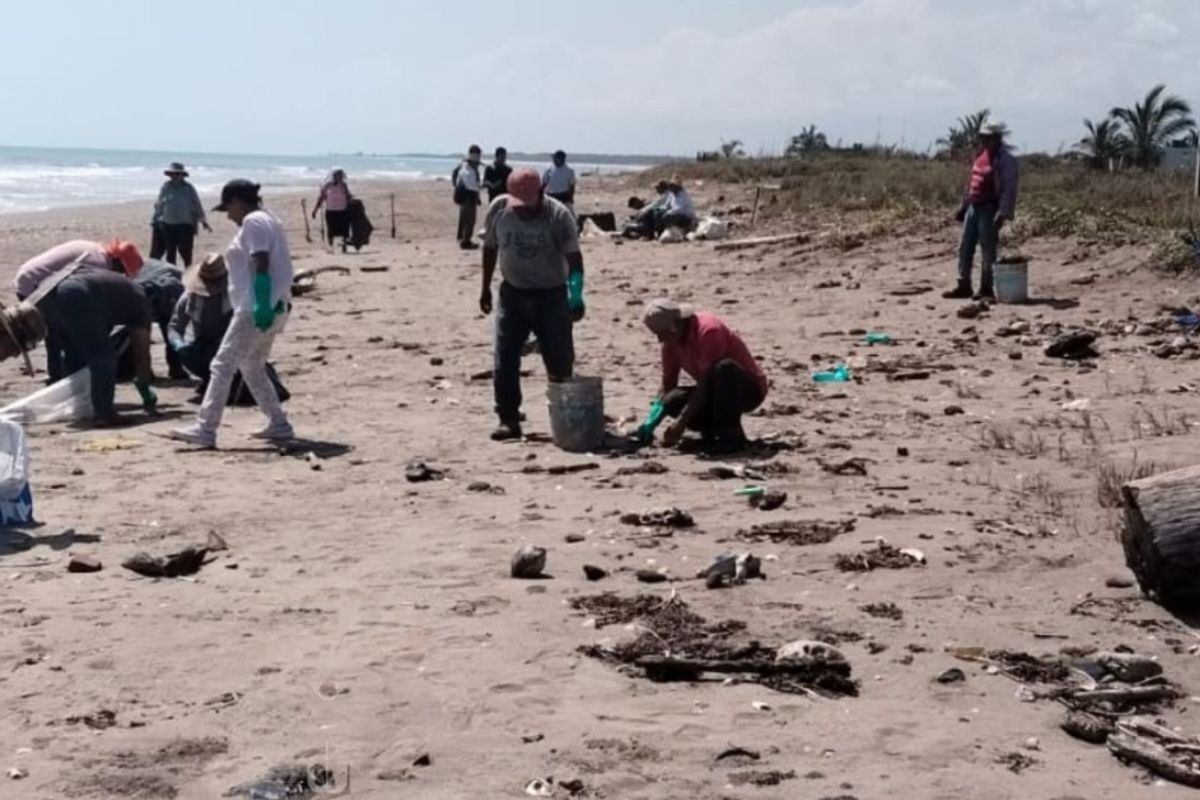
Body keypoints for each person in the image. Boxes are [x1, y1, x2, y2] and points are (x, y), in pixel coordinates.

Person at [170, 179, 295, 448]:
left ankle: (205, 429)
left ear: (237, 201)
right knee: (252, 366)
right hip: (274, 305)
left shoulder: (253, 222)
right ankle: (279, 423)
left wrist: (261, 299)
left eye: (228, 208)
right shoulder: (270, 219)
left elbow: (260, 259)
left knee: (222, 364)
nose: (228, 215)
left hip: (256, 307)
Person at [480, 168, 585, 441]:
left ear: (542, 192)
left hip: (551, 295)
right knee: (505, 359)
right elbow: (490, 247)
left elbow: (575, 259)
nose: (523, 212)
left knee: (560, 360)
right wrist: (485, 289)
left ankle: (564, 417)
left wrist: (576, 294)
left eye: (529, 205)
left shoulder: (558, 215)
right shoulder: (499, 209)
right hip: (512, 293)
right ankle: (509, 419)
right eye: (519, 205)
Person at [642, 299, 768, 453]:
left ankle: (730, 439)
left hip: (746, 389)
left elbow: (706, 381)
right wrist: (652, 420)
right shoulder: (670, 344)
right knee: (671, 400)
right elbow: (668, 384)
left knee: (723, 369)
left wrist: (681, 422)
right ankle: (711, 433)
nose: (660, 339)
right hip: (713, 391)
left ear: (676, 325)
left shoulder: (708, 331)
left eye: (663, 333)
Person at [36, 267, 158, 425]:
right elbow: (142, 351)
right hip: (79, 295)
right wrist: (145, 389)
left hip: (55, 294)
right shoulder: (140, 300)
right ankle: (104, 413)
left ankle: (79, 405)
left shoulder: (123, 289)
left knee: (75, 354)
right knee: (103, 358)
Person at [13, 239, 144, 380]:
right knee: (56, 330)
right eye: (122, 271)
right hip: (34, 286)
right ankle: (59, 376)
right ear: (118, 262)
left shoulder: (94, 248)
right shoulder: (99, 265)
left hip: (26, 276)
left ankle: (58, 373)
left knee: (54, 330)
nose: (120, 275)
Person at [943, 122, 1020, 301]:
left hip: (989, 208)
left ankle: (986, 289)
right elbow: (972, 182)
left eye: (987, 136)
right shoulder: (981, 155)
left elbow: (1009, 188)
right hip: (974, 207)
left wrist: (1003, 212)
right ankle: (964, 285)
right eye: (982, 136)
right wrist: (963, 207)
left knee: (987, 250)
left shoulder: (1005, 160)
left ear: (997, 138)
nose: (983, 139)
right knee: (965, 247)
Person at [168, 254, 233, 397]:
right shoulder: (189, 297)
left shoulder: (235, 295)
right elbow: (175, 326)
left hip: (231, 343)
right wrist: (178, 344)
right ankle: (208, 378)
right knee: (192, 356)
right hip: (202, 343)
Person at [151, 162, 211, 266]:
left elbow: (197, 204)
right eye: (173, 174)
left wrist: (203, 221)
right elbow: (159, 204)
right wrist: (155, 219)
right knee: (170, 253)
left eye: (178, 174)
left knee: (186, 251)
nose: (175, 176)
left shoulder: (188, 188)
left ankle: (188, 271)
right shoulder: (166, 187)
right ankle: (173, 275)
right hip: (168, 224)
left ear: (182, 175)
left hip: (185, 225)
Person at [312, 168, 352, 252]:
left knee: (344, 229)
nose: (340, 178)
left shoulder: (343, 185)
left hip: (342, 209)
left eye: (341, 176)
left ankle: (344, 247)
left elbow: (348, 196)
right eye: (338, 176)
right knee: (331, 229)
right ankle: (331, 246)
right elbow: (321, 198)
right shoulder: (327, 185)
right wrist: (315, 210)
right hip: (330, 210)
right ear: (333, 176)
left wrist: (350, 200)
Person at [454, 145, 483, 249]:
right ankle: (465, 241)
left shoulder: (463, 167)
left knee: (464, 219)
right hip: (468, 197)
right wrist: (481, 187)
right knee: (469, 220)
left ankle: (462, 239)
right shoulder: (468, 170)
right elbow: (472, 185)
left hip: (465, 197)